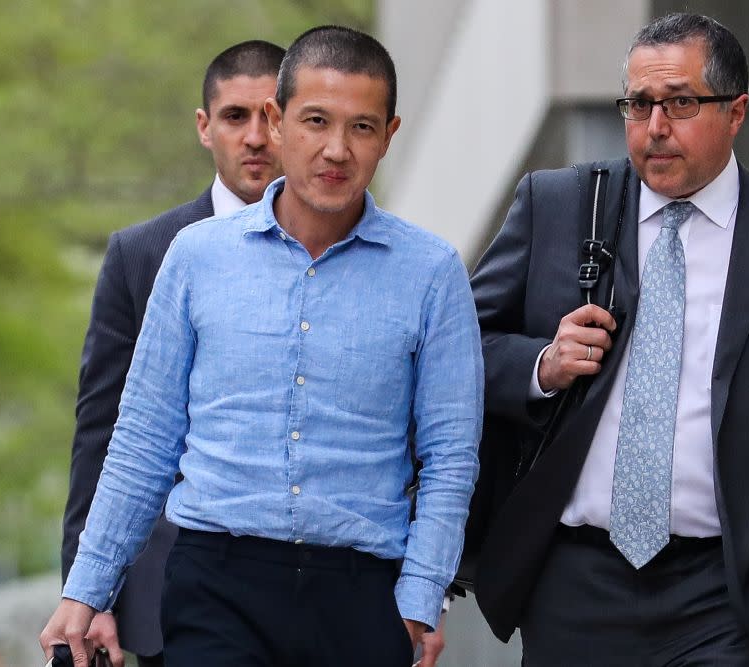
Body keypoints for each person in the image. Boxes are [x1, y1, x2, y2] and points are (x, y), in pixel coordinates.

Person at [41, 25, 482, 667]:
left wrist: (419, 598)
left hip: (361, 596)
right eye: (315, 121)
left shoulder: (433, 273)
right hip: (216, 583)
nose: (336, 149)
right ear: (278, 123)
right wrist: (86, 590)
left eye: (361, 127)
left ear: (389, 135)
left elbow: (449, 457)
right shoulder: (194, 258)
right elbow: (142, 440)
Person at [470, 12, 749, 666]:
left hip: (725, 593)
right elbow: (461, 353)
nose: (656, 127)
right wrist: (542, 365)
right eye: (639, 105)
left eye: (681, 103)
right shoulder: (559, 205)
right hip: (575, 580)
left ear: (737, 112)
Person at [58, 39, 285, 667]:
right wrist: (89, 593)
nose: (256, 136)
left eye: (271, 114)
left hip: (320, 593)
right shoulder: (142, 254)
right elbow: (101, 437)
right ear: (204, 128)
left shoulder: (363, 255)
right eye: (236, 116)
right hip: (172, 596)